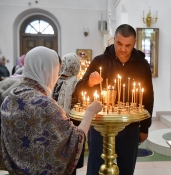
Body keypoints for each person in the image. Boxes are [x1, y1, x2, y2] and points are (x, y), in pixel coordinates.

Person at [0, 46, 102, 175]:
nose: (56, 77)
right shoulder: (45, 105)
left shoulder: (10, 98)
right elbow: (73, 141)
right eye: (56, 72)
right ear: (47, 71)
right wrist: (90, 113)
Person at [72, 24, 154, 175]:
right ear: (114, 40)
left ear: (134, 43)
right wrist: (90, 82)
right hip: (101, 125)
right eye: (119, 44)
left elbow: (148, 96)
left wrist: (144, 127)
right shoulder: (100, 61)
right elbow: (79, 89)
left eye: (128, 45)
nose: (123, 49)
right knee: (96, 168)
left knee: (126, 169)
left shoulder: (142, 65)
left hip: (130, 126)